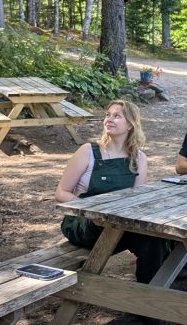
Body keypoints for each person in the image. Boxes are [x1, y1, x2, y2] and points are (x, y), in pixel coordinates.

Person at [56, 100, 164, 286]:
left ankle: (148, 295)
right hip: (85, 223)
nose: (109, 119)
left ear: (130, 124)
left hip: (119, 224)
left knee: (154, 241)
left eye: (117, 116)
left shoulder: (139, 158)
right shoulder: (88, 151)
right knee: (109, 225)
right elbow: (61, 193)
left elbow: (136, 199)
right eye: (108, 115)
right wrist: (93, 209)